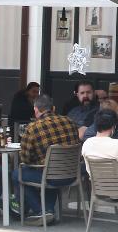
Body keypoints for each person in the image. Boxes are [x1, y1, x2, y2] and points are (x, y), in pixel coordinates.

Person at [13, 95, 79, 224]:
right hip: (71, 174)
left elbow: (25, 158)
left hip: (49, 176)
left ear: (36, 109)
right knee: (50, 170)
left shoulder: (33, 127)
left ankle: (41, 211)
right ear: (53, 108)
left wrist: (36, 161)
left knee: (17, 173)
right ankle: (49, 211)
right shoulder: (70, 121)